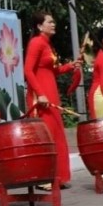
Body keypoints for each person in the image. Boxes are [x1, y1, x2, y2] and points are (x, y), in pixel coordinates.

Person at [23, 11, 80, 189]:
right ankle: (43, 177)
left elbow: (53, 71)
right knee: (45, 135)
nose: (53, 24)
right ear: (40, 26)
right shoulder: (36, 42)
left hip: (50, 91)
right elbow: (28, 70)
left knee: (55, 133)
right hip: (41, 95)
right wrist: (40, 93)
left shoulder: (47, 45)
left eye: (53, 21)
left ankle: (57, 176)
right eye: (49, 22)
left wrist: (70, 66)